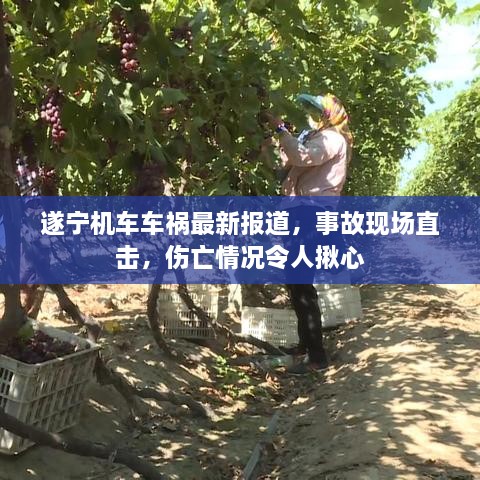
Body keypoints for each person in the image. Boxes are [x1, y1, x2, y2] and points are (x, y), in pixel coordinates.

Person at [265, 93, 354, 374]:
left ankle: (317, 358)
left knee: (302, 284)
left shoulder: (331, 139)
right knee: (296, 283)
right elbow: (286, 164)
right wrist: (273, 141)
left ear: (329, 116)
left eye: (316, 111)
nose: (310, 116)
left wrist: (281, 129)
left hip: (312, 215)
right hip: (300, 214)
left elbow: (302, 157)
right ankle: (305, 346)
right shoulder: (315, 138)